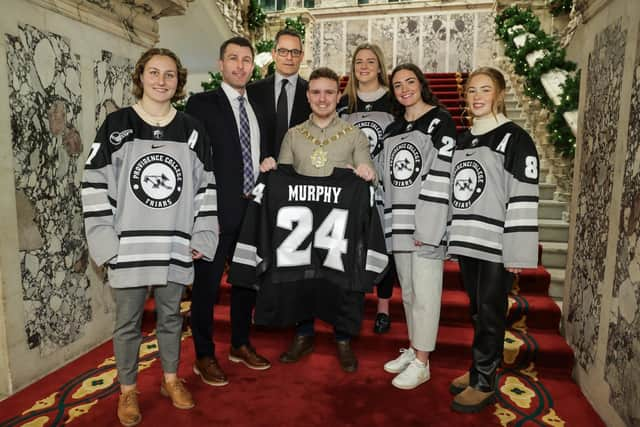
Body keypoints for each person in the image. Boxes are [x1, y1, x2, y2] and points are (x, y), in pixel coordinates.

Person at [82, 47, 218, 426]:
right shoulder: (116, 125)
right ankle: (127, 391)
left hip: (174, 243)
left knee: (172, 317)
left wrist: (203, 234)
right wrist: (105, 241)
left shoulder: (192, 130)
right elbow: (93, 185)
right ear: (140, 76)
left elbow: (206, 187)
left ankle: (171, 380)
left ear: (178, 82)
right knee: (127, 323)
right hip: (129, 246)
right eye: (154, 72)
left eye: (170, 74)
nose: (161, 80)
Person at [260, 67, 376, 372]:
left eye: (329, 92)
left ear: (338, 96)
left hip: (338, 228)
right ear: (307, 95)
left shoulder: (354, 135)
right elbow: (282, 178)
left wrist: (365, 172)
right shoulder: (294, 135)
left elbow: (366, 168)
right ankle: (303, 333)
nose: (322, 98)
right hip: (302, 226)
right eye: (315, 92)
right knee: (302, 278)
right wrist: (272, 167)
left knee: (341, 281)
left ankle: (343, 339)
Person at [448, 67, 539, 412]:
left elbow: (523, 196)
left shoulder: (516, 138)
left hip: (496, 244)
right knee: (476, 310)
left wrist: (517, 247)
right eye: (472, 90)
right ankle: (476, 370)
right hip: (469, 239)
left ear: (499, 94)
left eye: (485, 89)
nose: (477, 96)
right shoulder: (464, 138)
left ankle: (485, 380)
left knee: (490, 311)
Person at [186, 36, 272, 388]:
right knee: (206, 286)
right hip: (214, 212)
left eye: (246, 60)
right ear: (221, 64)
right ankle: (203, 354)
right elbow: (192, 160)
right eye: (233, 59)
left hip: (252, 210)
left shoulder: (259, 109)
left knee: (244, 283)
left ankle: (240, 343)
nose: (240, 65)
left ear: (253, 66)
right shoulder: (202, 103)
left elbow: (260, 154)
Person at [380, 63, 456, 390]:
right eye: (398, 85)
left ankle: (423, 362)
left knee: (426, 293)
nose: (404, 88)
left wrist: (433, 224)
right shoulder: (393, 129)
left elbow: (446, 173)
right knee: (409, 293)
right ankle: (414, 349)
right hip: (400, 223)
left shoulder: (441, 121)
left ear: (421, 84)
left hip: (428, 222)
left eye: (410, 81)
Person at [337, 43, 397, 334]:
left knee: (384, 245)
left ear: (379, 65)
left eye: (370, 61)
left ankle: (384, 307)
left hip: (386, 187)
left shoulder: (394, 101)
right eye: (358, 61)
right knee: (353, 247)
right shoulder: (344, 103)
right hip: (352, 191)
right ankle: (353, 303)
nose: (364, 66)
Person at [248, 28, 312, 157]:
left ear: (301, 56)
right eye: (283, 51)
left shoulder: (312, 93)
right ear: (274, 54)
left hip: (300, 171)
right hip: (261, 171)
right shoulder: (252, 92)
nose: (289, 57)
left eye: (295, 52)